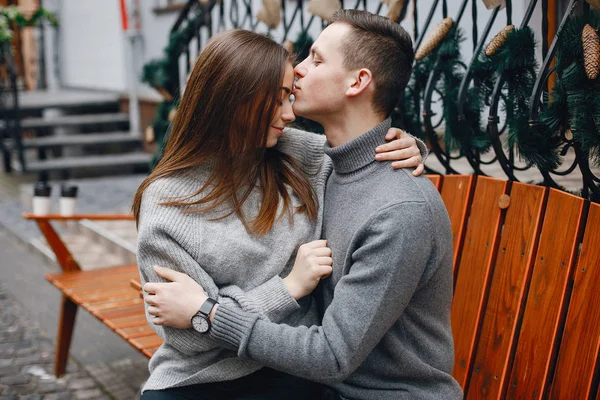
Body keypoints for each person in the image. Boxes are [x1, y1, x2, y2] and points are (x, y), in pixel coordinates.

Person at [147, 9, 464, 400]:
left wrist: (210, 312)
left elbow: (331, 355)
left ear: (358, 81)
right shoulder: (326, 163)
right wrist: (407, 143)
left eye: (315, 59)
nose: (296, 70)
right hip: (308, 381)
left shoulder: (396, 209)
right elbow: (356, 156)